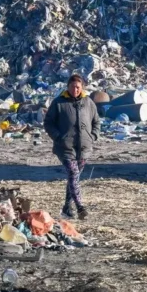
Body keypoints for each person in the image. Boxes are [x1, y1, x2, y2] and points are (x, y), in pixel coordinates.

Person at [43, 74, 100, 219]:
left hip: (84, 147)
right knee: (74, 174)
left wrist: (93, 136)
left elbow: (96, 121)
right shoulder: (59, 103)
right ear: (68, 87)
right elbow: (48, 123)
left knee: (73, 178)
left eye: (78, 87)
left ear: (82, 88)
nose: (75, 90)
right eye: (73, 87)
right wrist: (58, 137)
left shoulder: (88, 102)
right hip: (65, 147)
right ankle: (81, 208)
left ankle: (67, 208)